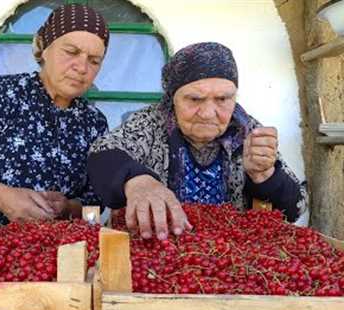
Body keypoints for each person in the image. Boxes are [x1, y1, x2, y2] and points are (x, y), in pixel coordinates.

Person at [87, 42, 308, 240]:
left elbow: (295, 208)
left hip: (227, 259)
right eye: (195, 99)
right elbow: (103, 154)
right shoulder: (151, 123)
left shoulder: (249, 133)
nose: (208, 113)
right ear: (172, 98)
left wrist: (264, 176)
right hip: (156, 252)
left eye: (222, 99)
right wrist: (137, 181)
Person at [0, 4, 109, 225]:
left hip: (53, 253)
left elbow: (95, 206)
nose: (82, 67)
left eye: (94, 61)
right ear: (44, 49)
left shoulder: (94, 122)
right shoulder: (1, 94)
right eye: (71, 52)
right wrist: (5, 198)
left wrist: (68, 208)